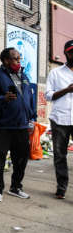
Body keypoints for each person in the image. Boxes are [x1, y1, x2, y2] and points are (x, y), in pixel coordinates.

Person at [0, 47, 36, 202]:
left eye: (20, 58)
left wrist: (32, 117)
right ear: (6, 60)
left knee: (21, 160)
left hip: (21, 127)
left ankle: (16, 187)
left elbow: (29, 99)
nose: (19, 61)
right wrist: (3, 98)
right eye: (16, 58)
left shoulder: (24, 76)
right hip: (3, 127)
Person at [45, 40, 73, 199]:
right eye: (71, 52)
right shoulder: (55, 73)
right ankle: (61, 187)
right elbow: (48, 95)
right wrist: (67, 90)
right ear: (66, 53)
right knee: (60, 155)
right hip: (59, 120)